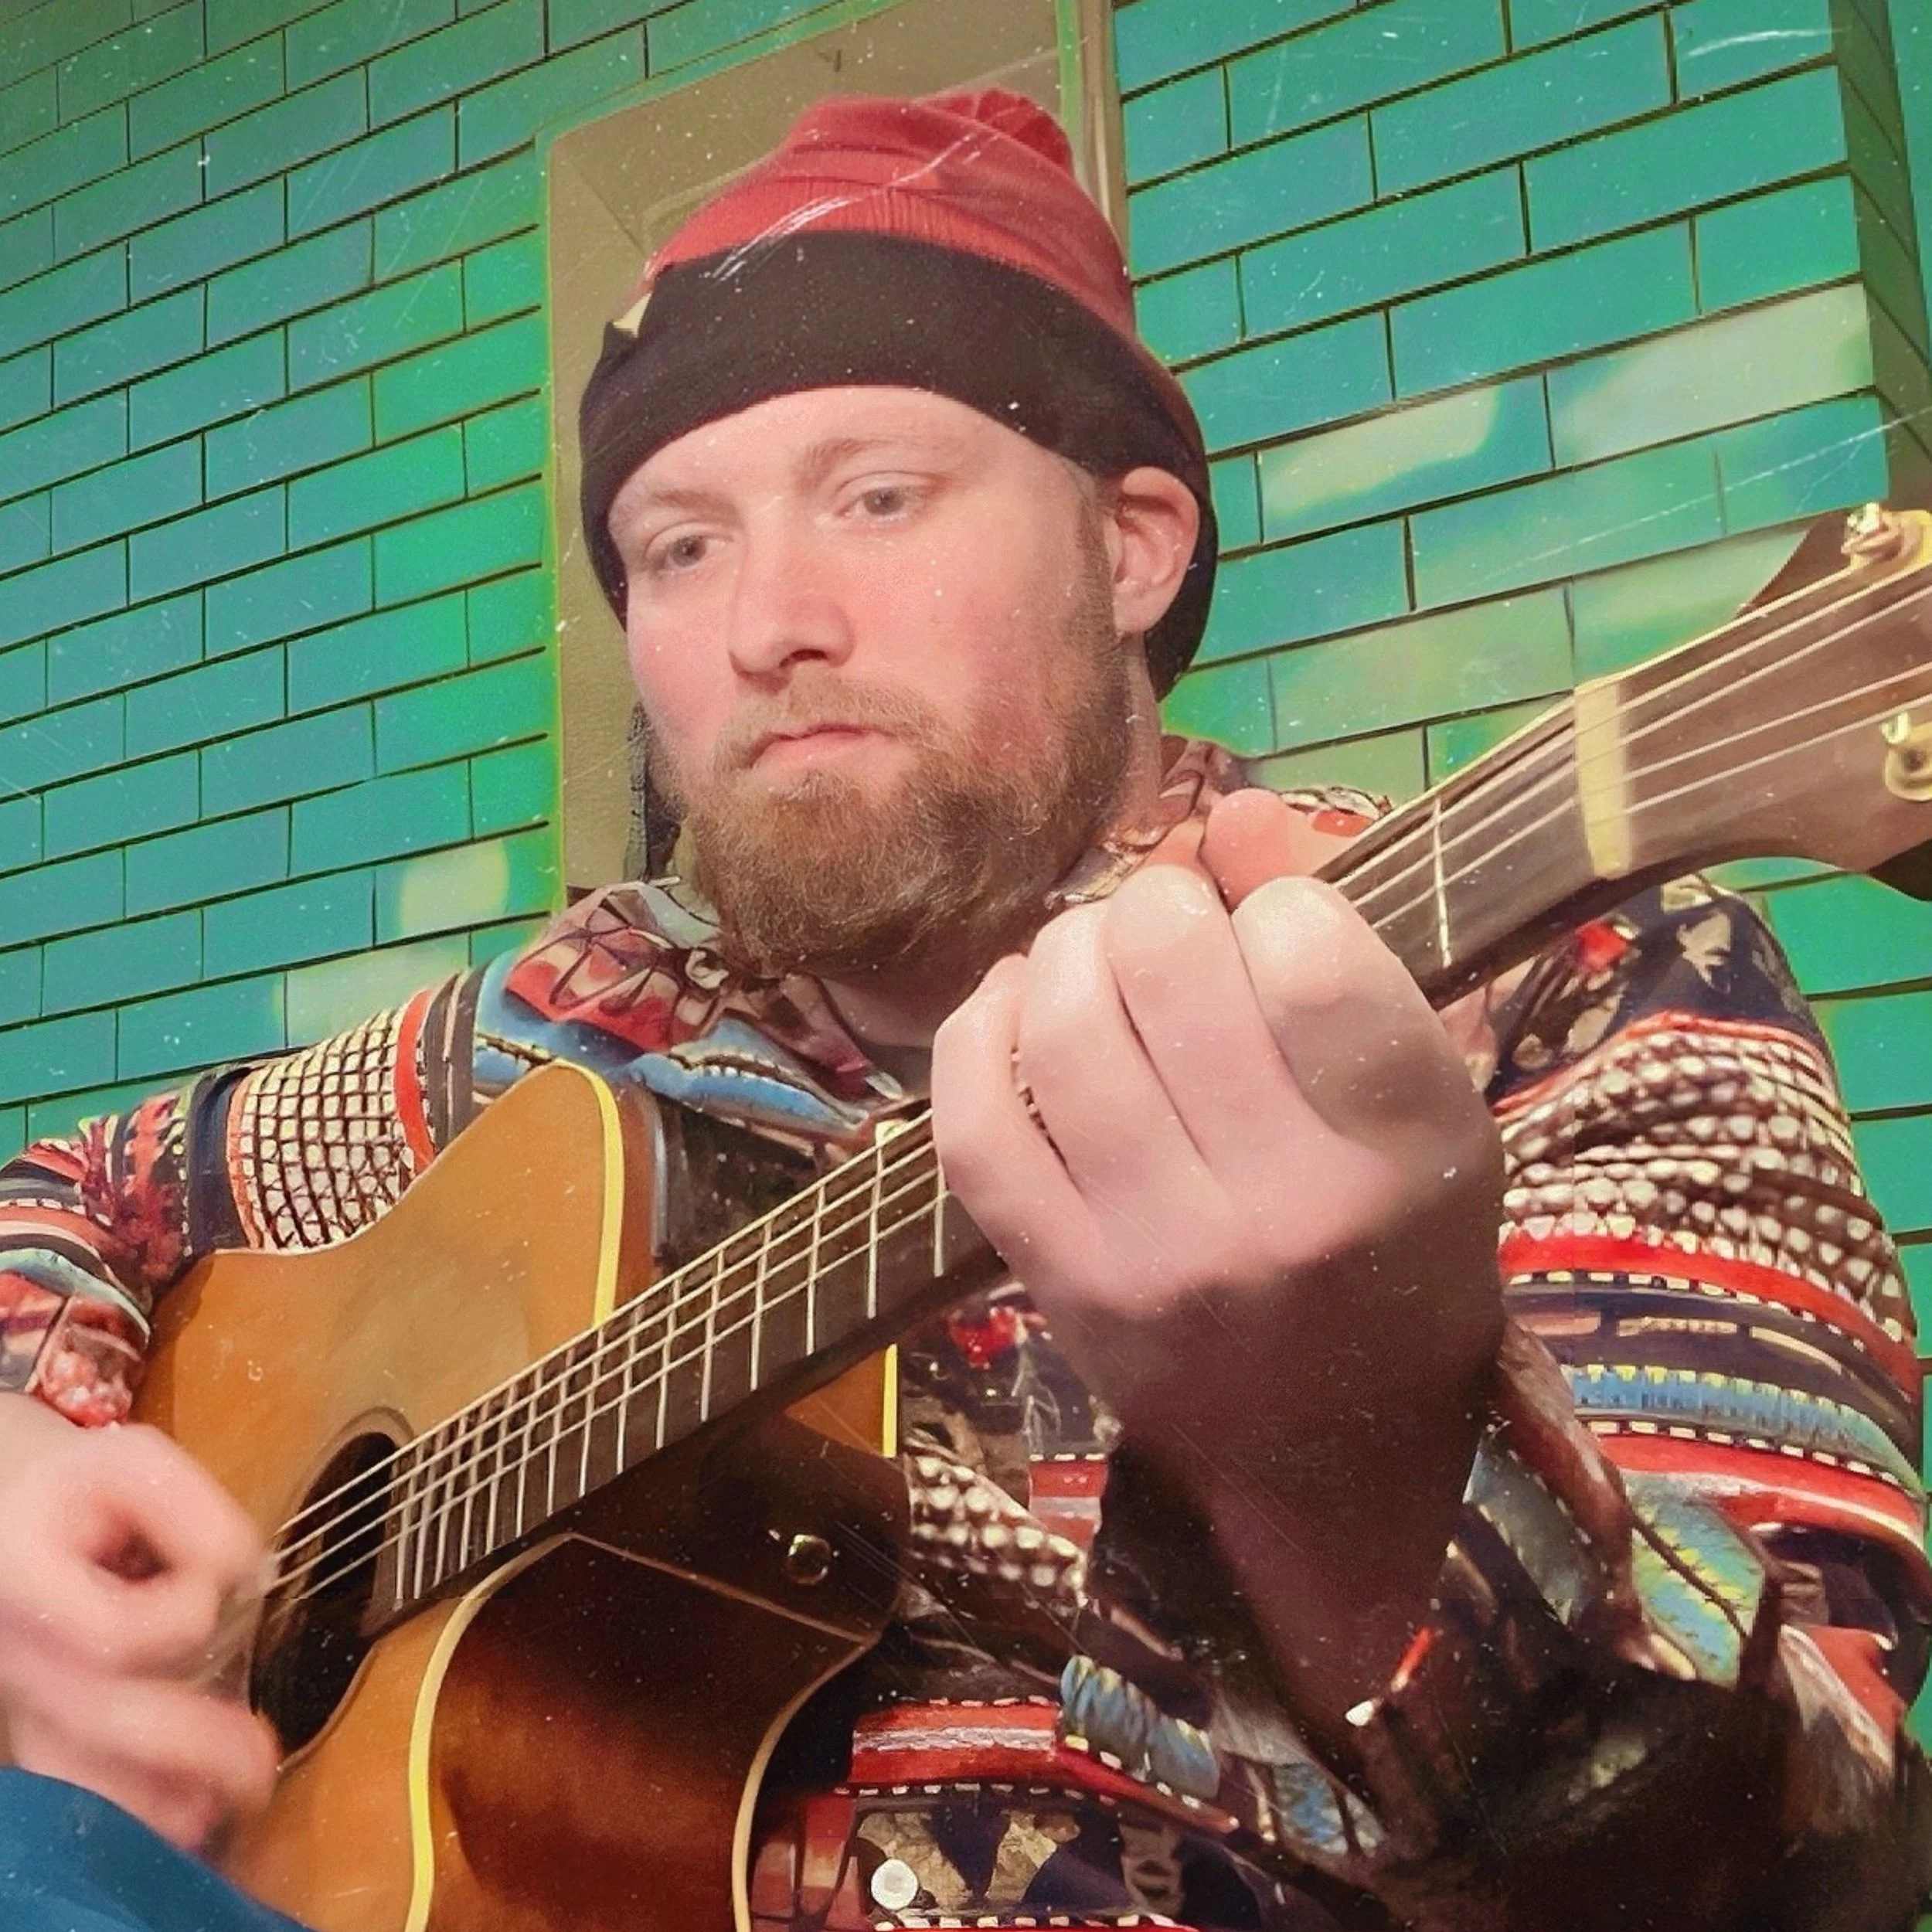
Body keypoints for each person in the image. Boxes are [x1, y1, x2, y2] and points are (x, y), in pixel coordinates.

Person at [0, 88, 1924, 1932]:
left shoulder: (1543, 979)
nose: (768, 621)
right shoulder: (557, 1022)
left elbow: (1794, 1855)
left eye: (879, 494)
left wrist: (1353, 1473)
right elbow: (81, 1183)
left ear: (1127, 544)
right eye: (680, 545)